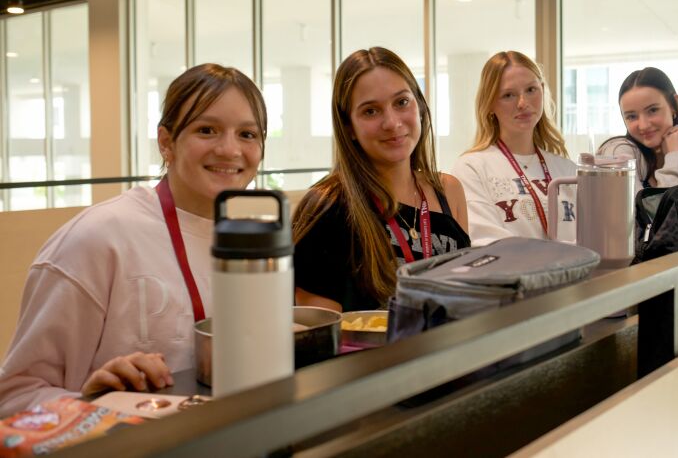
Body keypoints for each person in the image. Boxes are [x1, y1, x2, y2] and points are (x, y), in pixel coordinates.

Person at [0, 64, 267, 416]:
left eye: (247, 134)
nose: (230, 150)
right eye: (207, 130)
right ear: (166, 142)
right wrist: (90, 401)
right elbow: (14, 397)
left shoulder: (258, 241)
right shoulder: (96, 239)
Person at [292, 47, 469, 312]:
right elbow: (321, 337)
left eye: (401, 102)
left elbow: (468, 296)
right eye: (371, 111)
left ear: (419, 106)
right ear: (349, 127)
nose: (392, 122)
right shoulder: (326, 207)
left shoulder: (448, 190)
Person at [451, 51, 577, 246]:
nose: (523, 103)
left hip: (580, 276)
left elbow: (594, 239)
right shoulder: (471, 168)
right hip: (513, 276)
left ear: (542, 90)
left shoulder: (567, 169)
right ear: (490, 103)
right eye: (508, 95)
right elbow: (487, 243)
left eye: (531, 90)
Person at [598, 66, 678, 188]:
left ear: (674, 105)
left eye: (653, 110)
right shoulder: (619, 152)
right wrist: (675, 157)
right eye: (631, 116)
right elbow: (659, 207)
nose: (643, 125)